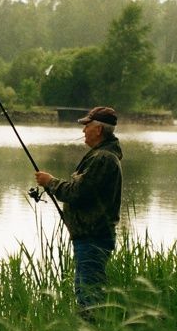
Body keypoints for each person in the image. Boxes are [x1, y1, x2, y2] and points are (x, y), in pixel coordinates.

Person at [35, 106, 123, 311]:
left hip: (93, 237)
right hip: (91, 236)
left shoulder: (102, 158)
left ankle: (91, 325)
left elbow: (77, 192)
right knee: (88, 289)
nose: (83, 130)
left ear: (98, 130)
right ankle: (93, 324)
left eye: (87, 126)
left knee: (88, 293)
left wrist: (50, 182)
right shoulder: (102, 155)